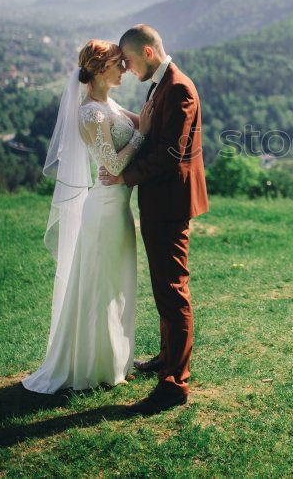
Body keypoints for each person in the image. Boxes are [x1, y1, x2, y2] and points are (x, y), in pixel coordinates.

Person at [23, 39, 154, 394]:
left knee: (116, 283)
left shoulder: (106, 104)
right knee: (102, 285)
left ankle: (111, 360)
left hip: (118, 207)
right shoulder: (90, 113)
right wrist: (141, 134)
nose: (124, 69)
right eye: (117, 63)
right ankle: (92, 365)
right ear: (98, 68)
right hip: (106, 209)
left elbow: (140, 122)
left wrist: (147, 117)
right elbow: (112, 164)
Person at [100, 23, 209, 415]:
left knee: (173, 288)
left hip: (170, 203)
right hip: (161, 201)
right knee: (163, 284)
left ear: (147, 52)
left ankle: (175, 383)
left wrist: (124, 175)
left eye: (128, 60)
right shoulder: (163, 82)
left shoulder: (178, 88)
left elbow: (170, 154)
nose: (126, 68)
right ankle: (167, 358)